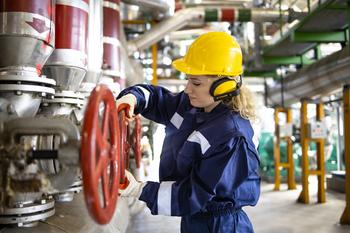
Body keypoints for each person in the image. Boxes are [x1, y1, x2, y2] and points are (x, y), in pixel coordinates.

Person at [117, 31, 260, 233]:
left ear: (223, 86)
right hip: (194, 219)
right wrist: (132, 98)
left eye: (196, 83)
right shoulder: (189, 107)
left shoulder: (231, 136)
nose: (187, 89)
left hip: (221, 225)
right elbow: (158, 100)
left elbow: (194, 195)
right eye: (188, 80)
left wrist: (139, 189)